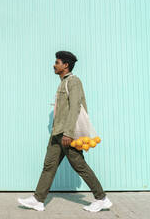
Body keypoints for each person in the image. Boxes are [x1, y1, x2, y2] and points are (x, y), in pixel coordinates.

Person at [17, 51, 112, 212]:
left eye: (57, 62)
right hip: (57, 133)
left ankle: (102, 198)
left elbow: (75, 107)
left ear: (65, 65)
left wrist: (68, 133)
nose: (54, 65)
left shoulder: (73, 82)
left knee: (79, 165)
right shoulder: (62, 82)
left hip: (66, 134)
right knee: (49, 166)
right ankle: (38, 200)